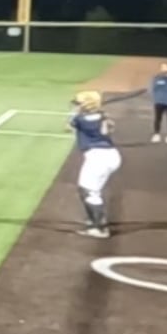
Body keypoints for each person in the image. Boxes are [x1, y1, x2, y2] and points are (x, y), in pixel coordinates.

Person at [69, 90, 121, 238]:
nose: (76, 105)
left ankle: (100, 228)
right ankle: (94, 220)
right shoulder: (102, 116)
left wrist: (76, 113)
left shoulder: (80, 119)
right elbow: (108, 129)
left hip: (98, 158)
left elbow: (69, 126)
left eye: (78, 103)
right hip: (109, 155)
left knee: (90, 192)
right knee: (84, 189)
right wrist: (99, 114)